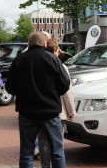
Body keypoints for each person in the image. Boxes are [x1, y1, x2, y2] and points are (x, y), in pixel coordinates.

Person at [5, 31, 70, 168]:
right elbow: (65, 84)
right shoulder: (53, 59)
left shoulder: (19, 60)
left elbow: (9, 87)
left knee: (26, 152)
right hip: (50, 112)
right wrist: (52, 93)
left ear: (29, 43)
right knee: (57, 151)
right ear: (44, 43)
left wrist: (23, 93)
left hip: (26, 112)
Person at [38, 39, 76, 167]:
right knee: (57, 143)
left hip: (41, 111)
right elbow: (67, 91)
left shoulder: (38, 65)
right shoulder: (61, 66)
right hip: (58, 111)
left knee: (43, 142)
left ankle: (45, 166)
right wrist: (71, 111)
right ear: (57, 50)